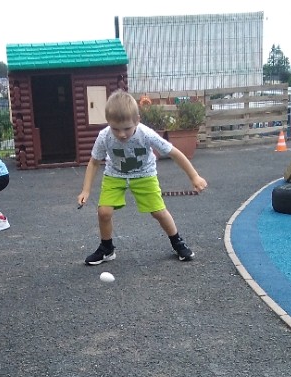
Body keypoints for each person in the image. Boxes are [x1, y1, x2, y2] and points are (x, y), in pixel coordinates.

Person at [77, 90, 207, 264]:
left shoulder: (146, 134)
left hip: (144, 174)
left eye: (127, 128)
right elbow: (94, 162)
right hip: (115, 175)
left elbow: (174, 153)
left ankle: (177, 243)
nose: (121, 134)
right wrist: (85, 190)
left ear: (137, 120)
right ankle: (106, 249)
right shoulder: (104, 136)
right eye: (115, 129)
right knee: (104, 212)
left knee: (158, 212)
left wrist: (194, 177)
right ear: (108, 122)